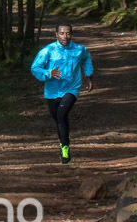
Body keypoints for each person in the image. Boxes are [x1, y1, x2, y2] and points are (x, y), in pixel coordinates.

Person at [30, 21, 94, 164]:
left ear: (71, 34)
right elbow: (35, 68)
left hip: (71, 88)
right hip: (52, 91)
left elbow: (86, 59)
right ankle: (63, 141)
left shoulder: (79, 49)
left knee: (62, 114)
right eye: (62, 33)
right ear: (56, 34)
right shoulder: (48, 51)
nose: (65, 36)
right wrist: (48, 73)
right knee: (58, 119)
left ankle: (65, 148)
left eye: (68, 33)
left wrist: (88, 76)